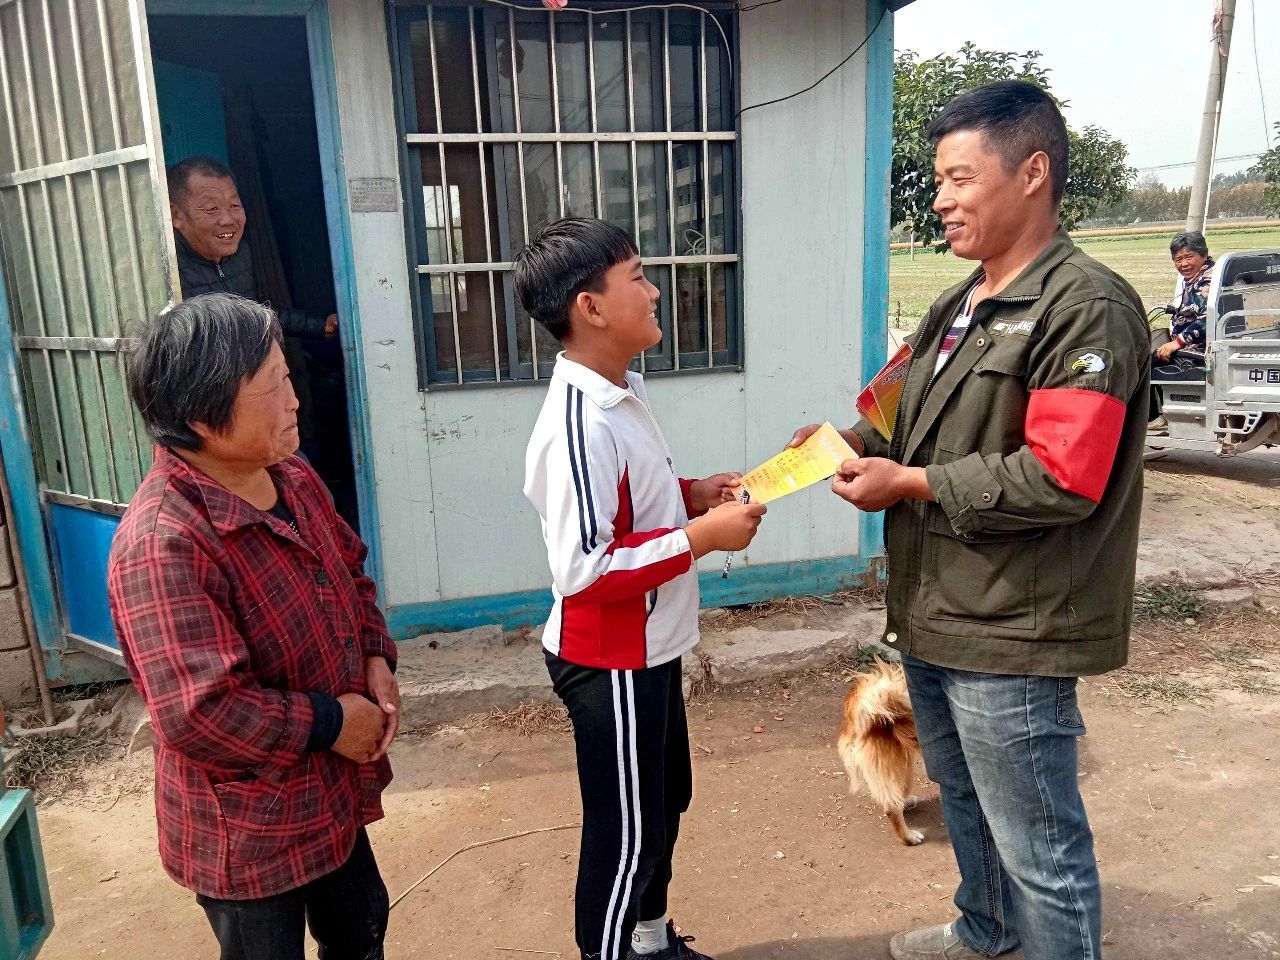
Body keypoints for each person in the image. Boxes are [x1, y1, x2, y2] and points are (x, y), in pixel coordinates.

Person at [789, 81, 1148, 960]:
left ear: (1032, 172)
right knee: (965, 800)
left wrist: (909, 483)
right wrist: (834, 447)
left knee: (1039, 844)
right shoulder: (955, 306)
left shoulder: (1084, 309)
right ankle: (987, 930)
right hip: (935, 610)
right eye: (938, 180)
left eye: (959, 178)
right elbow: (889, 412)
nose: (942, 200)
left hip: (1013, 626)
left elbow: (1062, 477)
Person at [108, 293, 399, 960]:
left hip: (328, 795)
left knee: (361, 930)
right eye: (272, 387)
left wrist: (376, 656)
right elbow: (201, 712)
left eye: (288, 378)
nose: (293, 400)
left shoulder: (291, 477)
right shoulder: (162, 542)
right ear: (201, 418)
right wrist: (333, 721)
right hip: (248, 830)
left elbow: (349, 569)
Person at [519, 218, 766, 960]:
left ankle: (652, 942)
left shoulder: (621, 391)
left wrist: (692, 494)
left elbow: (631, 504)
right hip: (611, 659)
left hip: (652, 645)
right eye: (637, 277)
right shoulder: (579, 424)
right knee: (625, 836)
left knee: (662, 805)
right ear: (590, 307)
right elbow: (585, 568)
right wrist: (703, 537)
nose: (655, 291)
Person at [1148, 231, 1215, 434]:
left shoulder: (1206, 282)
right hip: (1198, 345)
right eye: (1178, 259)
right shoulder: (1199, 276)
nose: (1184, 264)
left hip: (1199, 350)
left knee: (1143, 364)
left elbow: (1206, 319)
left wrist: (1176, 343)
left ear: (1203, 254)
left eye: (1189, 257)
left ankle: (1155, 417)